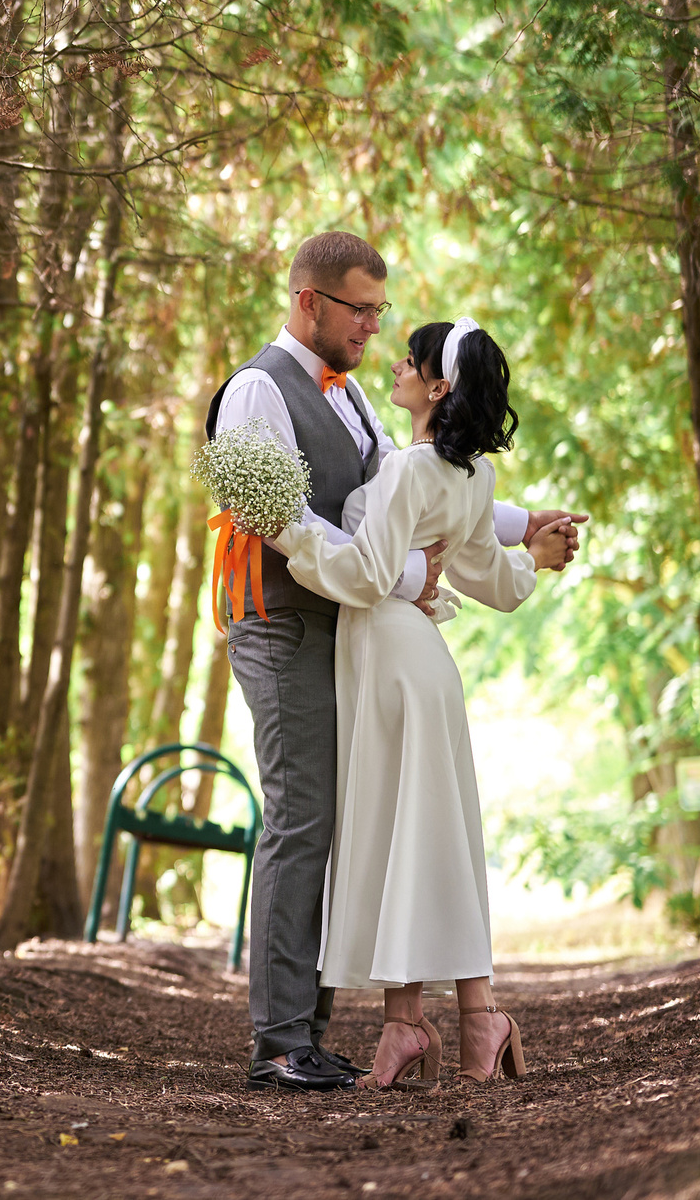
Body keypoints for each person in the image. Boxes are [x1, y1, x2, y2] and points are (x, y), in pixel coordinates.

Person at [205, 232, 581, 1092]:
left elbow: (426, 486)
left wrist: (520, 525)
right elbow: (286, 515)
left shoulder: (357, 401)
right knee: (302, 818)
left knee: (341, 824)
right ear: (309, 300)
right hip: (284, 620)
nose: (375, 325)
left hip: (352, 627)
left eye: (380, 310)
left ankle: (321, 1029)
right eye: (360, 310)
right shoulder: (259, 390)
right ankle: (280, 1039)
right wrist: (414, 571)